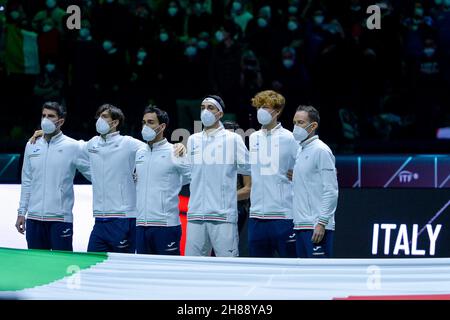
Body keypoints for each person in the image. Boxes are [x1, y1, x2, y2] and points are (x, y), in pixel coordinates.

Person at [15, 102, 91, 251]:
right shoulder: (31, 145)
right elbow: (27, 181)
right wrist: (21, 212)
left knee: (62, 269)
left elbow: (94, 175)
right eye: (43, 115)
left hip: (60, 220)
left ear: (60, 121)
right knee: (36, 269)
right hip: (34, 219)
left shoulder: (73, 146)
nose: (45, 119)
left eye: (50, 116)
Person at [185, 95, 250, 257]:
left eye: (210, 108)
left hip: (223, 216)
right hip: (195, 215)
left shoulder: (233, 139)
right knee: (192, 268)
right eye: (202, 108)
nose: (205, 111)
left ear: (220, 114)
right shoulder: (192, 140)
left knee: (228, 267)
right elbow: (186, 173)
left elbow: (249, 169)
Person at [247, 90, 299, 258]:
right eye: (259, 106)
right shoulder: (253, 137)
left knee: (289, 270)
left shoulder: (290, 138)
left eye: (266, 107)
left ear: (277, 111)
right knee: (258, 271)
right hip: (256, 217)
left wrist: (299, 175)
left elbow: (305, 167)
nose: (261, 110)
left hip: (283, 216)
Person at [135, 106, 191, 255]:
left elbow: (191, 178)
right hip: (140, 225)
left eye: (151, 122)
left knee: (168, 275)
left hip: (166, 225)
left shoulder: (175, 151)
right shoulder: (139, 153)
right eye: (144, 122)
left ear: (162, 126)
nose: (145, 126)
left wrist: (173, 184)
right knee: (143, 275)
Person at [292, 105, 338, 258]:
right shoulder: (300, 150)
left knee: (320, 277)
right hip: (300, 225)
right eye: (294, 123)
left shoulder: (321, 150)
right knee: (303, 279)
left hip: (316, 228)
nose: (296, 127)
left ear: (313, 126)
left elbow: (331, 190)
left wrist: (322, 222)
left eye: (300, 122)